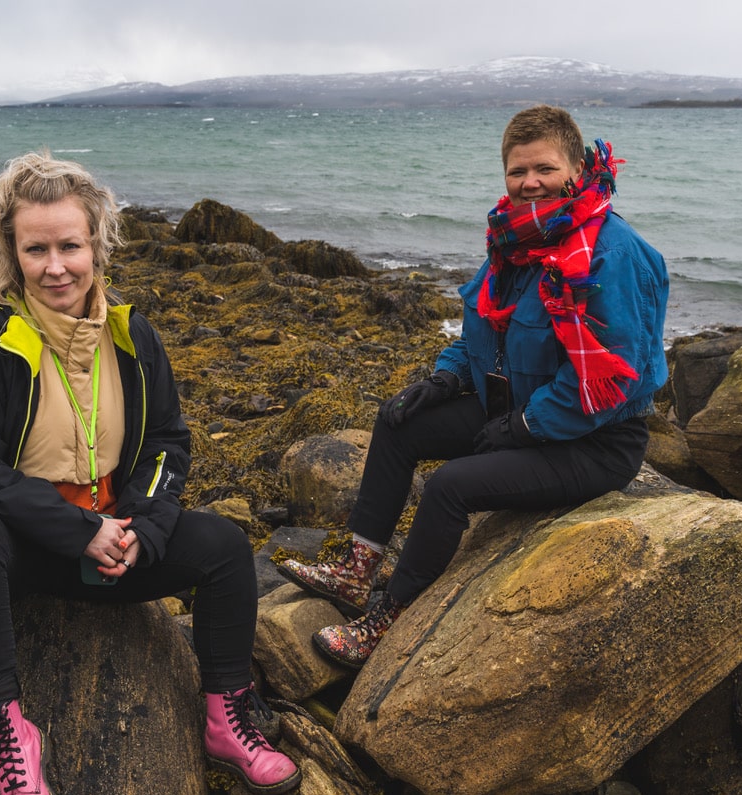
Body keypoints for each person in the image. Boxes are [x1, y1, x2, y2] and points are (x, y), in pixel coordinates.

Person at [0, 152, 300, 795]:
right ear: (13, 253)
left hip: (113, 545)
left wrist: (141, 528)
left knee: (222, 546)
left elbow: (167, 442)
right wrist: (78, 531)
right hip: (22, 554)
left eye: (70, 245)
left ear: (97, 244)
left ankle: (226, 716)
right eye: (36, 248)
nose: (56, 266)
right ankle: (7, 733)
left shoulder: (133, 336)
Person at [279, 104, 669, 669]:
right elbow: (483, 335)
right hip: (514, 411)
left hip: (594, 441)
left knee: (450, 486)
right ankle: (353, 570)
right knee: (397, 422)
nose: (530, 182)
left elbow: (610, 383)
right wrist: (445, 377)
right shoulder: (514, 242)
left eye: (544, 169)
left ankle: (389, 622)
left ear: (577, 170)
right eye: (518, 171)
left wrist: (525, 427)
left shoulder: (612, 254)